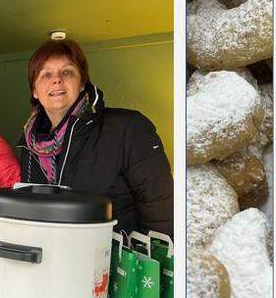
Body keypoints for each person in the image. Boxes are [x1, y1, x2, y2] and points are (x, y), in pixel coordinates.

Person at [18, 38, 173, 235]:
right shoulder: (29, 146)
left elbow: (160, 210)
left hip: (115, 260)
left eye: (67, 72)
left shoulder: (128, 128)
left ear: (82, 83)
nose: (56, 79)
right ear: (35, 92)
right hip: (53, 257)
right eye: (45, 75)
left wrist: (154, 263)